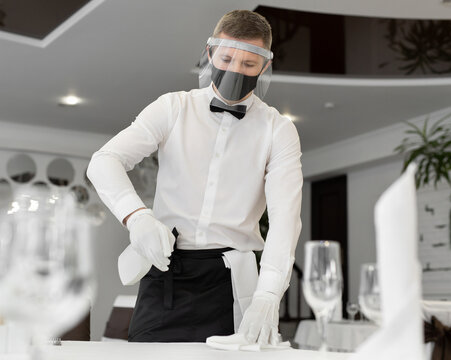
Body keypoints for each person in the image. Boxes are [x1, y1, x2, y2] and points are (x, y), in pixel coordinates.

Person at [87, 9, 302, 345]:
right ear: (210, 53)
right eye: (228, 58)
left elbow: (286, 220)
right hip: (165, 272)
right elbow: (104, 161)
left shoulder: (279, 130)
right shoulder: (173, 107)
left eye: (248, 64)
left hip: (231, 282)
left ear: (264, 67)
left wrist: (268, 295)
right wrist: (137, 217)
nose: (236, 70)